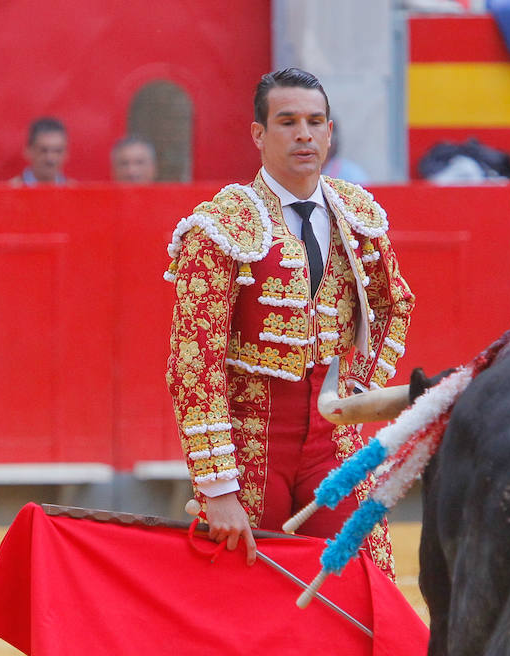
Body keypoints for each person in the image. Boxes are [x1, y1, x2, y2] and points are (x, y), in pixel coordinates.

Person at [164, 68, 414, 579]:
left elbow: (396, 304)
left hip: (336, 438)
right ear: (259, 134)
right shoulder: (220, 226)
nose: (304, 134)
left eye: (315, 121)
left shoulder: (357, 213)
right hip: (253, 439)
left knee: (364, 578)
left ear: (328, 132)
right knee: (246, 594)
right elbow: (195, 363)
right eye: (288, 121)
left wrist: (362, 385)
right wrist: (218, 489)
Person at [9, 117, 71, 186]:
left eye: (58, 151)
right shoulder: (10, 191)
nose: (50, 158)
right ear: (28, 151)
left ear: (66, 154)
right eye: (43, 150)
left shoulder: (75, 192)